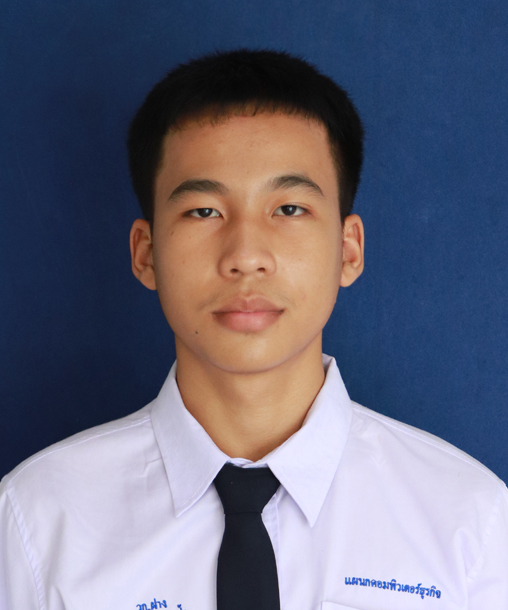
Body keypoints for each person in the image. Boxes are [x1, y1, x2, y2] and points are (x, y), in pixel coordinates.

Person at [1, 49, 507, 610]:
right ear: (145, 253)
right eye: (204, 211)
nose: (246, 256)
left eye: (288, 209)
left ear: (348, 250)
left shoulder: (471, 523)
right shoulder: (35, 523)